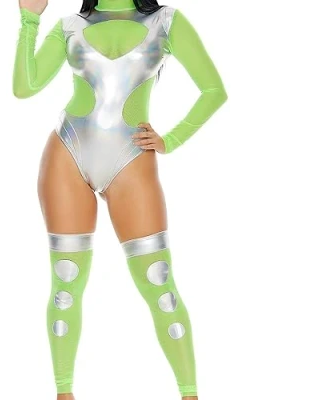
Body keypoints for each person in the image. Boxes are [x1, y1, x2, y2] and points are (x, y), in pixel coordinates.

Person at [12, 0, 228, 398]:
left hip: (131, 160)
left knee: (158, 281)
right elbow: (25, 87)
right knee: (66, 281)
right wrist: (29, 19)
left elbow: (215, 91)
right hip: (67, 154)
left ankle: (190, 393)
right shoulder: (70, 26)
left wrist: (171, 140)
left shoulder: (165, 21)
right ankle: (63, 392)